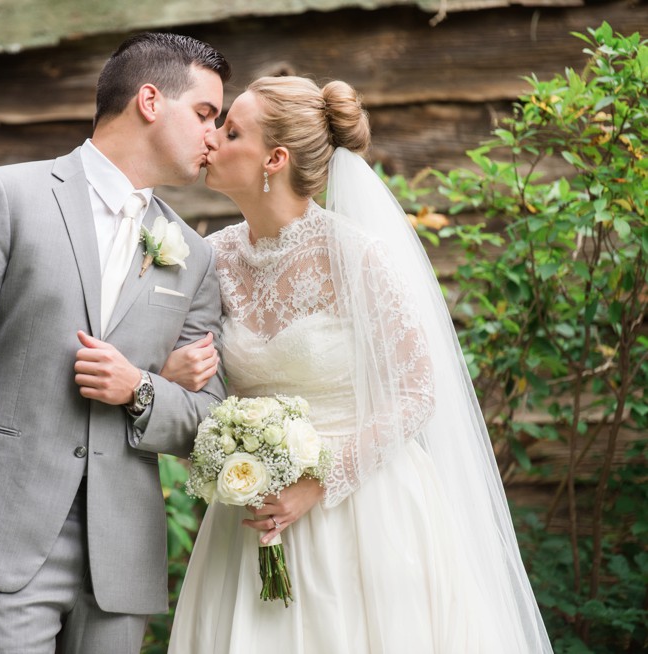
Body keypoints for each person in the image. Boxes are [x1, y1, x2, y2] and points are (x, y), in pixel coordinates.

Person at [163, 76, 553, 653]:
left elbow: (418, 391)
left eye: (231, 129)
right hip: (252, 515)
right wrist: (174, 373)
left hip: (365, 516)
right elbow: (197, 375)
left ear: (275, 158)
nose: (211, 138)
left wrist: (318, 480)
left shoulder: (354, 255)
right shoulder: (212, 257)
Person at [0, 33, 230, 653]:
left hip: (123, 553)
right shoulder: (6, 196)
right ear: (150, 100)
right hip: (2, 537)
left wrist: (142, 388)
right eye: (205, 114)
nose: (213, 135)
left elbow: (210, 419)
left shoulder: (193, 255)